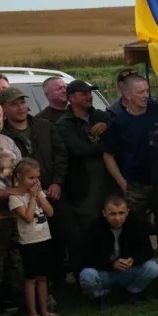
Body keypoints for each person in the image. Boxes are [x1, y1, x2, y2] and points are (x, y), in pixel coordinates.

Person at [0, 86, 79, 292]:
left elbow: (61, 155)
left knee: (70, 234)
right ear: (4, 108)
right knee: (37, 243)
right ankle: (49, 286)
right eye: (14, 104)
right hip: (25, 198)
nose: (20, 108)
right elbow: (5, 170)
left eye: (22, 102)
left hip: (53, 192)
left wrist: (57, 182)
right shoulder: (3, 136)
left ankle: (78, 280)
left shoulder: (44, 125)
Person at [102, 73, 158, 216]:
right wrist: (122, 183)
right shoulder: (119, 123)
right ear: (127, 95)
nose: (145, 96)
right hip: (135, 185)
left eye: (147, 91)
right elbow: (108, 155)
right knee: (135, 223)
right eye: (140, 92)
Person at [55, 80, 118, 231]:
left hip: (111, 179)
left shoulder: (101, 116)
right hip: (85, 184)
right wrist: (107, 147)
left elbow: (121, 136)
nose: (89, 96)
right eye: (84, 94)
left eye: (90, 93)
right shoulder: (64, 123)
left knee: (116, 219)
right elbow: (79, 149)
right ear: (71, 97)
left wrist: (109, 127)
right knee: (90, 224)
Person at [79, 194, 158, 306]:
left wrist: (133, 260)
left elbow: (147, 251)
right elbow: (86, 259)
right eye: (112, 214)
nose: (117, 218)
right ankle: (100, 297)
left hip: (128, 271)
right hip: (105, 273)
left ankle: (131, 292)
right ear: (104, 213)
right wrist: (112, 264)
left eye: (121, 213)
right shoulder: (94, 228)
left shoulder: (137, 224)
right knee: (87, 275)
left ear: (127, 212)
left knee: (152, 268)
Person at [8, 159, 58, 316]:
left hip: (44, 238)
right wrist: (31, 197)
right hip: (29, 243)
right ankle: (33, 313)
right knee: (31, 278)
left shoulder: (39, 193)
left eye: (37, 177)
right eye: (31, 178)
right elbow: (28, 218)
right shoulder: (15, 198)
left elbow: (50, 212)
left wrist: (39, 196)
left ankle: (44, 310)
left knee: (43, 277)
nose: (35, 181)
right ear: (19, 177)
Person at [0, 98, 24, 315]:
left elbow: (21, 170)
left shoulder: (9, 142)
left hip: (14, 212)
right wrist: (0, 193)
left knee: (16, 262)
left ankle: (17, 306)